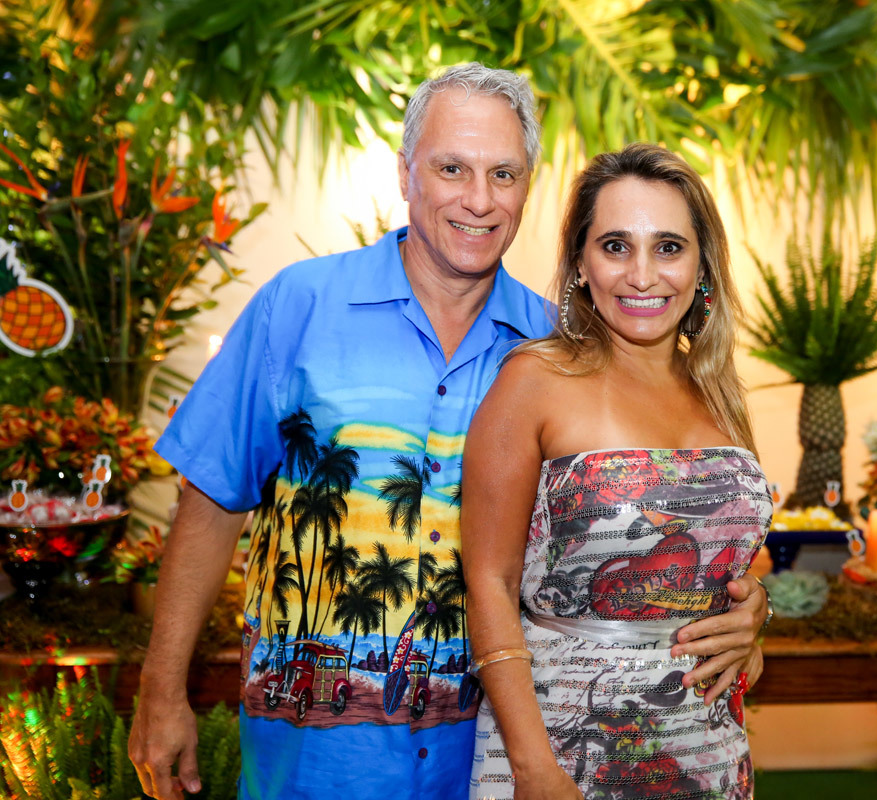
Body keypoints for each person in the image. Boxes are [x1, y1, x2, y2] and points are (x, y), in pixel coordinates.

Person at [128, 66, 769, 800]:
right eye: (451, 168)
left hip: (481, 752)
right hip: (316, 760)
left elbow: (622, 527)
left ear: (527, 188)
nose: (479, 199)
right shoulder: (298, 307)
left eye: (504, 174)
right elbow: (212, 499)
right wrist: (161, 687)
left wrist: (747, 602)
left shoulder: (560, 348)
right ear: (405, 171)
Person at [462, 143, 770, 800]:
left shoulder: (721, 394)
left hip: (709, 752)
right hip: (566, 748)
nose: (642, 275)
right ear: (581, 262)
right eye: (615, 246)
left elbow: (729, 568)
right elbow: (490, 584)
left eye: (668, 247)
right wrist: (533, 769)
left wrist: (752, 622)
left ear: (702, 264)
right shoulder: (534, 380)